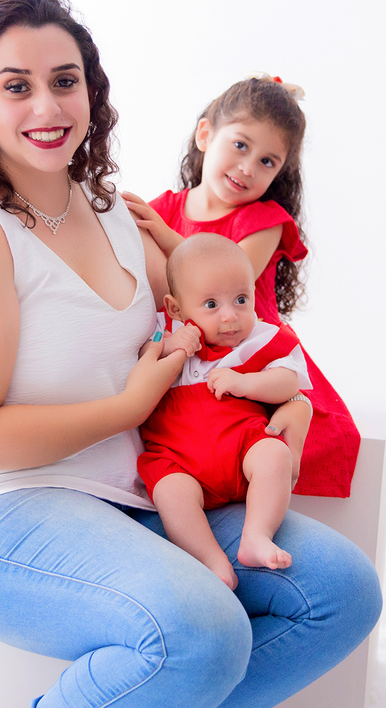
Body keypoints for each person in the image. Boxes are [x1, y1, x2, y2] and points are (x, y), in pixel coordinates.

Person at [0, 0, 381, 708]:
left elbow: (215, 322)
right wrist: (127, 406)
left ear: (90, 92)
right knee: (205, 633)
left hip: (137, 488)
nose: (47, 107)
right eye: (17, 86)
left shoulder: (110, 209)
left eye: (65, 81)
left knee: (342, 592)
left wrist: (292, 403)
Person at [124, 75, 362, 500]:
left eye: (268, 161)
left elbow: (228, 270)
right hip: (189, 369)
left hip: (250, 357)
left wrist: (163, 235)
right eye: (240, 145)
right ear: (205, 134)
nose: (248, 168)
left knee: (265, 444)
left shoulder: (263, 221)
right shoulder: (165, 209)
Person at [139, 233, 311, 590]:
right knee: (170, 494)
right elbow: (141, 361)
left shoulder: (259, 339)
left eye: (241, 299)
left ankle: (256, 535)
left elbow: (289, 381)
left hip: (244, 450)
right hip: (180, 462)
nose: (231, 316)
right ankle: (212, 561)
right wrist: (169, 347)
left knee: (275, 455)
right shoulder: (165, 333)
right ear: (175, 309)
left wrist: (246, 383)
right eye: (212, 305)